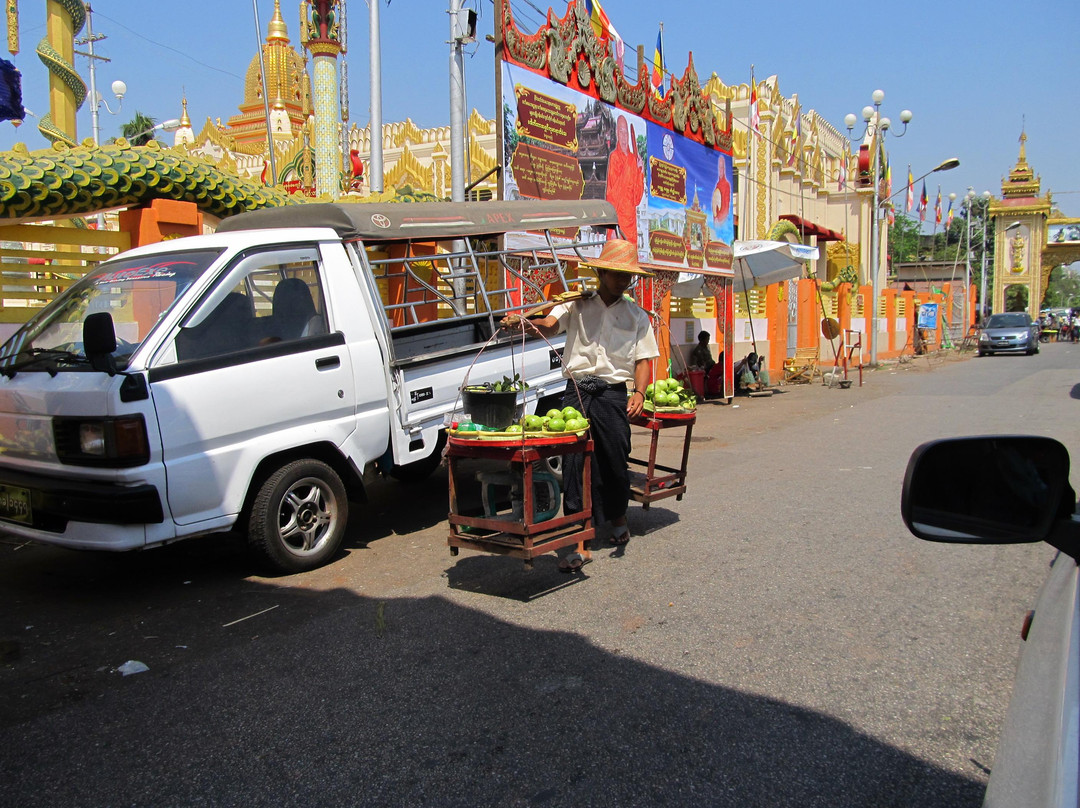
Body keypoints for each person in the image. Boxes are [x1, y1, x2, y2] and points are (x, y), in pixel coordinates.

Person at [501, 239, 658, 571]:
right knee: (574, 465)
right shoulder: (576, 303)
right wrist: (524, 322)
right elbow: (549, 324)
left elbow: (644, 361)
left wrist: (640, 394)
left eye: (627, 276)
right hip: (576, 392)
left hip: (613, 394)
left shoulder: (637, 316)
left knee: (615, 459)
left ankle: (617, 517)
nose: (622, 281)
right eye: (616, 274)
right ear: (600, 272)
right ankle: (580, 539)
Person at [605, 116, 645, 247]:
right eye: (621, 132)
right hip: (618, 220)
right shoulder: (614, 157)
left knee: (630, 261)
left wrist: (640, 172)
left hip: (630, 222)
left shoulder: (633, 160)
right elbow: (612, 194)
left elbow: (637, 198)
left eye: (626, 132)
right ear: (617, 134)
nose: (624, 136)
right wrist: (613, 226)